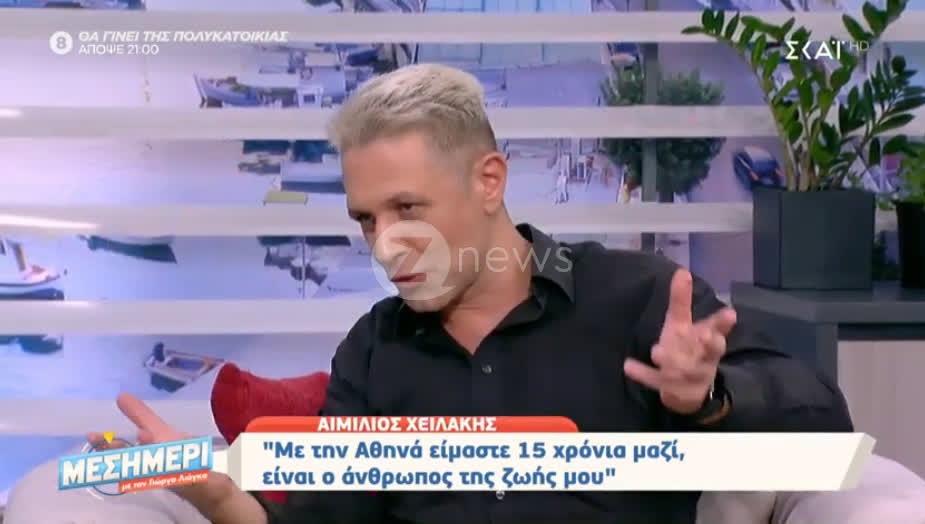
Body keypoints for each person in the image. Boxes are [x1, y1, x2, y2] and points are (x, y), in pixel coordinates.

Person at [90, 63, 853, 524]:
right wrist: (220, 497)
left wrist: (706, 399)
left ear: (489, 181)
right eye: (367, 219)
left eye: (408, 208)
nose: (385, 243)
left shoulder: (638, 296)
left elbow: (824, 426)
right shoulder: (374, 350)